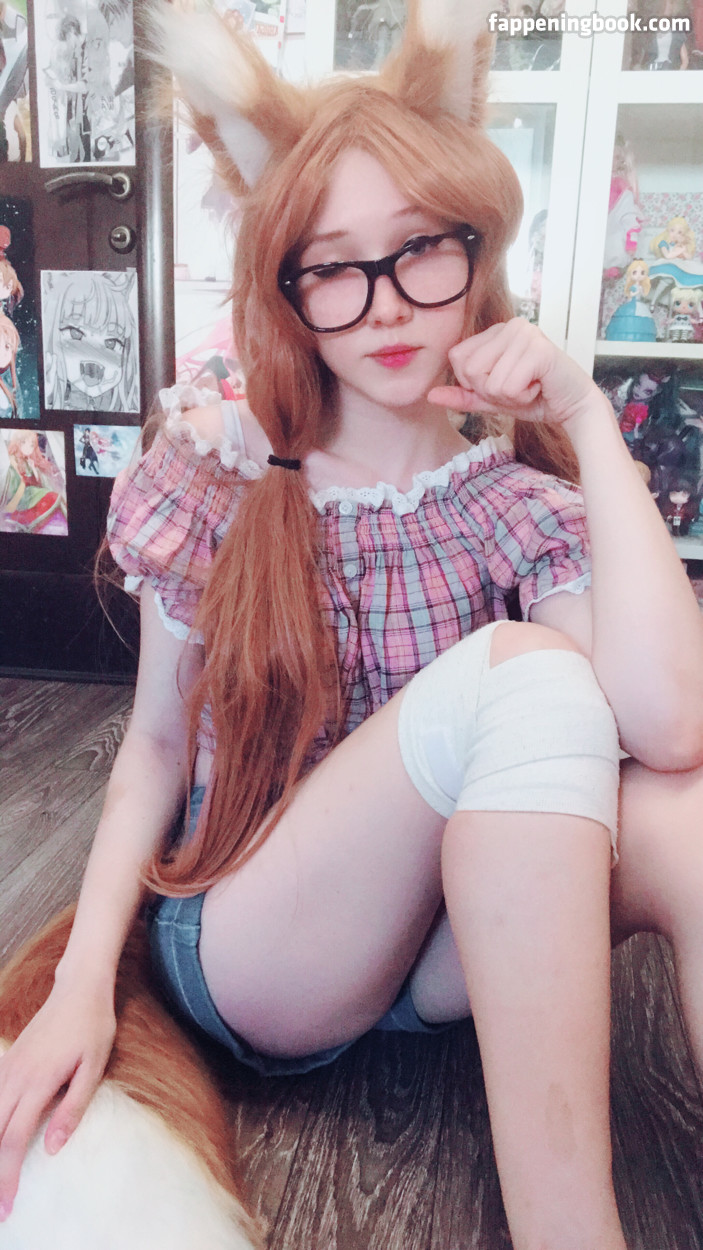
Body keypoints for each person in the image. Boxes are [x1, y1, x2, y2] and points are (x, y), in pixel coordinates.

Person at [1, 3, 703, 1246]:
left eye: (419, 248)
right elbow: (151, 748)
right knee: (531, 670)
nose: (383, 305)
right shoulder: (220, 474)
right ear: (285, 286)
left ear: (474, 251)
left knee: (681, 814)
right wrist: (81, 984)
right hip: (253, 949)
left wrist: (589, 419)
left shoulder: (508, 502)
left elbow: (671, 724)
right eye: (332, 266)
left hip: (427, 952)